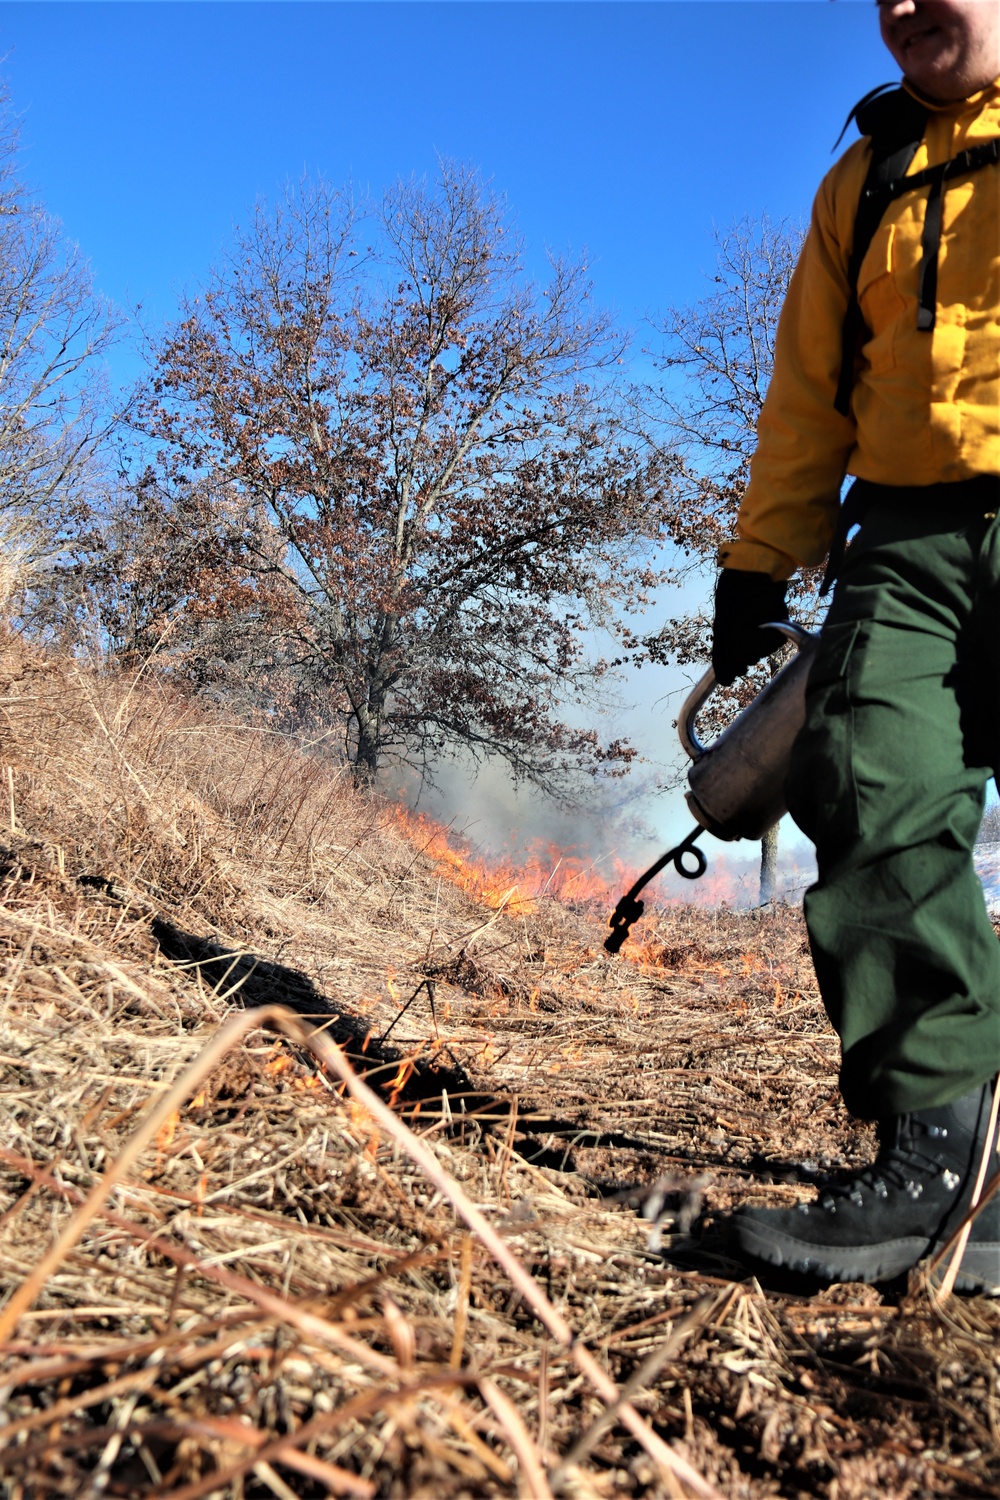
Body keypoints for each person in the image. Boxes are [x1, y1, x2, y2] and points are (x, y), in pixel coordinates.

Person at [711, 0, 1000, 1292]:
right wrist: (756, 561)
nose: (905, 7)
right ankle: (943, 1165)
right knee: (867, 778)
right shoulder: (864, 177)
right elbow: (806, 393)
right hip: (901, 544)